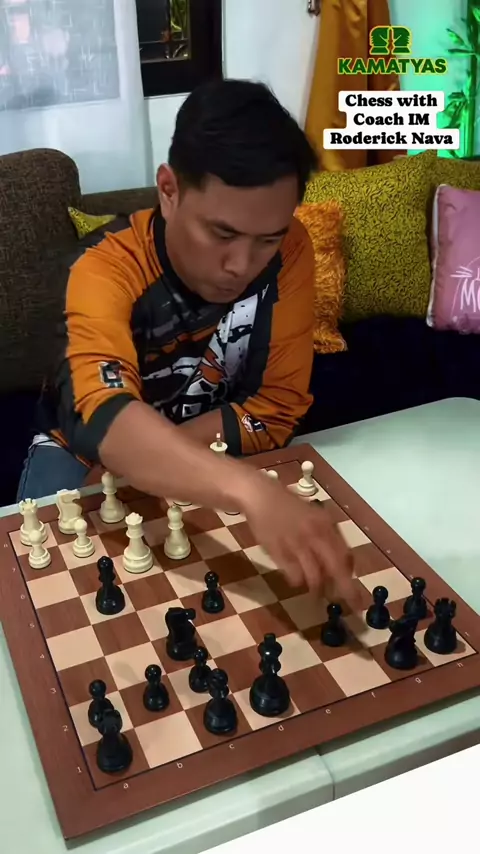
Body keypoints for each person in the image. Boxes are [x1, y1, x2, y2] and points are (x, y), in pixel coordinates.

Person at [18, 78, 357, 604]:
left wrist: (168, 461)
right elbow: (101, 415)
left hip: (210, 443)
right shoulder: (101, 268)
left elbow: (277, 408)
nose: (242, 265)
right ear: (169, 190)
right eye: (222, 234)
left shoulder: (290, 249)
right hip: (79, 454)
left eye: (266, 239)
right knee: (49, 599)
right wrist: (248, 490)